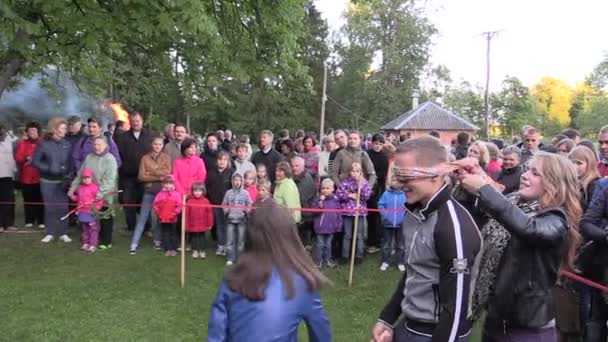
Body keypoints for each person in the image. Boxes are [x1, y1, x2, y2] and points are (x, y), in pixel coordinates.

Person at [456, 152, 581, 342]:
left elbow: (530, 230)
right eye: (527, 170)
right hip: (496, 321)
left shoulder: (557, 219)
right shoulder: (517, 205)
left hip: (526, 331)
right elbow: (497, 209)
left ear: (555, 183)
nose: (524, 175)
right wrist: (476, 177)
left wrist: (484, 189)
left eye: (535, 173)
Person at [372, 137, 481, 342]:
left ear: (435, 175)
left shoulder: (451, 227)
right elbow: (415, 270)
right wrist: (387, 318)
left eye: (407, 176)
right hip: (409, 325)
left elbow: (455, 308)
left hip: (438, 333)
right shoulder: (414, 211)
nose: (399, 184)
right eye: (397, 175)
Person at [207, 205, 331, 341]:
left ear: (250, 235)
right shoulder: (303, 282)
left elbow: (216, 335)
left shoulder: (232, 278)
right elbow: (322, 335)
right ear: (290, 235)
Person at [69, 136, 118, 249]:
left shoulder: (110, 159)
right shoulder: (89, 157)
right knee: (89, 217)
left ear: (106, 146)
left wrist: (100, 195)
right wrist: (72, 189)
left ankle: (106, 241)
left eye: (99, 144)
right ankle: (90, 238)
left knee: (105, 216)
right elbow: (80, 174)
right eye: (95, 144)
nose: (97, 147)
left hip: (104, 195)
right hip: (88, 194)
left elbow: (109, 180)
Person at [32, 118, 73, 243]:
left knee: (63, 208)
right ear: (54, 129)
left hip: (62, 181)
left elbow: (70, 162)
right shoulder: (44, 144)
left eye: (65, 128)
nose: (65, 131)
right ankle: (50, 232)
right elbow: (35, 161)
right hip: (47, 181)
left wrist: (69, 175)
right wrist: (49, 168)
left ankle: (63, 233)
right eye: (63, 128)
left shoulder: (67, 144)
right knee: (49, 208)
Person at [129, 136, 172, 255]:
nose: (157, 146)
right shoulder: (145, 158)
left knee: (159, 217)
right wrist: (159, 175)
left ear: (162, 145)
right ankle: (134, 243)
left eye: (160, 144)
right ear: (151, 145)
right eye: (155, 144)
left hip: (162, 192)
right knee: (143, 217)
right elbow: (141, 176)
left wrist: (151, 173)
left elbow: (168, 172)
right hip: (149, 191)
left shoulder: (166, 157)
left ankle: (157, 240)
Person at [114, 112, 152, 232]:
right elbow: (118, 155)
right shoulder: (123, 137)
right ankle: (131, 228)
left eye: (138, 121)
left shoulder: (150, 136)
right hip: (127, 176)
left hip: (145, 176)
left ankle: (146, 228)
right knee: (128, 202)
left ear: (142, 121)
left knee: (145, 202)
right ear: (130, 122)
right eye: (133, 121)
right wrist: (122, 168)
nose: (136, 123)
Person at [336, 162, 371, 264]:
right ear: (349, 172)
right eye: (353, 171)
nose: (355, 173)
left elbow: (367, 196)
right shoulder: (345, 182)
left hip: (359, 212)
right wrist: (350, 195)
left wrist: (361, 189)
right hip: (347, 212)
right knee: (347, 234)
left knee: (359, 235)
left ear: (361, 172)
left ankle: (359, 255)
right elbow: (339, 194)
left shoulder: (364, 182)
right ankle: (345, 256)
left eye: (357, 171)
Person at [14, 121, 44, 229]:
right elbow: (18, 157)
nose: (32, 132)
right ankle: (29, 220)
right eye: (30, 130)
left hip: (39, 176)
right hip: (26, 177)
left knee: (40, 199)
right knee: (28, 199)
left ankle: (41, 220)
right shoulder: (22, 143)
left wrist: (35, 160)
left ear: (38, 132)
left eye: (34, 130)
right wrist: (26, 157)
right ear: (27, 132)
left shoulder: (42, 143)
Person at [206, 151, 234, 256]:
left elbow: (234, 187)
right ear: (216, 161)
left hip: (227, 206)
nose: (222, 162)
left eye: (224, 160)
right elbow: (207, 187)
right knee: (219, 225)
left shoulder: (231, 172)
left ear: (228, 161)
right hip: (215, 204)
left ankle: (228, 245)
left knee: (228, 225)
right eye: (220, 159)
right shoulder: (211, 172)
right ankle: (220, 245)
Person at [68, 168, 103, 253]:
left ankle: (93, 245)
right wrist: (73, 197)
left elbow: (99, 200)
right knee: (85, 229)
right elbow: (79, 199)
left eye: (88, 177)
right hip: (82, 213)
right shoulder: (80, 188)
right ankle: (86, 243)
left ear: (91, 178)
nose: (86, 179)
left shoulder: (95, 188)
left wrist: (96, 208)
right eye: (84, 178)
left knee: (93, 229)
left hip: (91, 212)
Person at [222, 173, 252, 266]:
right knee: (230, 240)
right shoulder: (228, 193)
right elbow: (224, 204)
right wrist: (227, 211)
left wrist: (245, 211)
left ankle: (240, 258)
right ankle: (230, 258)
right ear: (232, 181)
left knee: (241, 241)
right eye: (235, 180)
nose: (237, 182)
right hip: (230, 220)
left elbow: (250, 204)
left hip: (241, 220)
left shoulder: (246, 193)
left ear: (242, 181)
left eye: (239, 180)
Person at [311, 178, 342, 268]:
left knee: (328, 245)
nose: (325, 190)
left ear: (332, 189)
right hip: (320, 228)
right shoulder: (317, 200)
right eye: (323, 188)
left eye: (327, 188)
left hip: (331, 227)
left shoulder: (335, 200)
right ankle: (318, 261)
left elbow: (339, 213)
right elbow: (314, 211)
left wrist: (339, 225)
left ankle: (328, 259)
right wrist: (320, 205)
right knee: (320, 245)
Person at [377, 179, 406, 272]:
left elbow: (408, 208)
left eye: (397, 180)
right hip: (387, 224)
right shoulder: (386, 194)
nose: (395, 181)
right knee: (386, 244)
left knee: (400, 245)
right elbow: (381, 205)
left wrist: (404, 218)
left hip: (401, 224)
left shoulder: (405, 195)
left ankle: (400, 262)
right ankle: (385, 261)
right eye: (393, 180)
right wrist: (385, 215)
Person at [367, 133, 389, 254]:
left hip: (378, 187)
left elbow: (382, 173)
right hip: (367, 186)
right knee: (369, 214)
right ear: (372, 143)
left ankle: (377, 241)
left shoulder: (384, 157)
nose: (378, 146)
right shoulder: (367, 154)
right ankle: (370, 240)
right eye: (376, 143)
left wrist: (373, 177)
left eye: (380, 144)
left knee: (377, 214)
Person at [153, 175, 182, 256]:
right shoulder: (160, 194)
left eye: (170, 183)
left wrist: (175, 213)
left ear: (173, 184)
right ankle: (167, 249)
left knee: (173, 233)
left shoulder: (177, 194)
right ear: (163, 184)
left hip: (173, 218)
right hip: (163, 218)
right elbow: (155, 205)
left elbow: (179, 206)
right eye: (166, 183)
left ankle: (174, 248)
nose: (168, 185)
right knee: (165, 233)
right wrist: (159, 213)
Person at [291, 157, 317, 246]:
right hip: (300, 213)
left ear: (303, 166)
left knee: (303, 243)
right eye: (292, 166)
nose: (294, 168)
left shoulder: (306, 179)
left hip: (305, 215)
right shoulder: (295, 178)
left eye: (297, 166)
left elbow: (301, 199)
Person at [186, 182, 213, 259]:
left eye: (199, 191)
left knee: (202, 237)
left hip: (203, 224)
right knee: (194, 237)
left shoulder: (206, 201)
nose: (197, 193)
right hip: (193, 224)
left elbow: (209, 213)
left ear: (203, 191)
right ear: (192, 191)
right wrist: (186, 224)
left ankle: (202, 251)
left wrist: (210, 224)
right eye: (195, 191)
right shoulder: (189, 201)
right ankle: (195, 250)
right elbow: (186, 214)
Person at [569, 146, 601, 211]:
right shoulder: (572, 182)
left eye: (579, 163)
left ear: (589, 164)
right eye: (572, 162)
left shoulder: (595, 186)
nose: (574, 166)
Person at [0, 124, 17, 232]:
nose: (3, 133)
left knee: (10, 200)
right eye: (1, 132)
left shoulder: (9, 140)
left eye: (3, 131)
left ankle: (9, 223)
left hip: (8, 175)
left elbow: (17, 140)